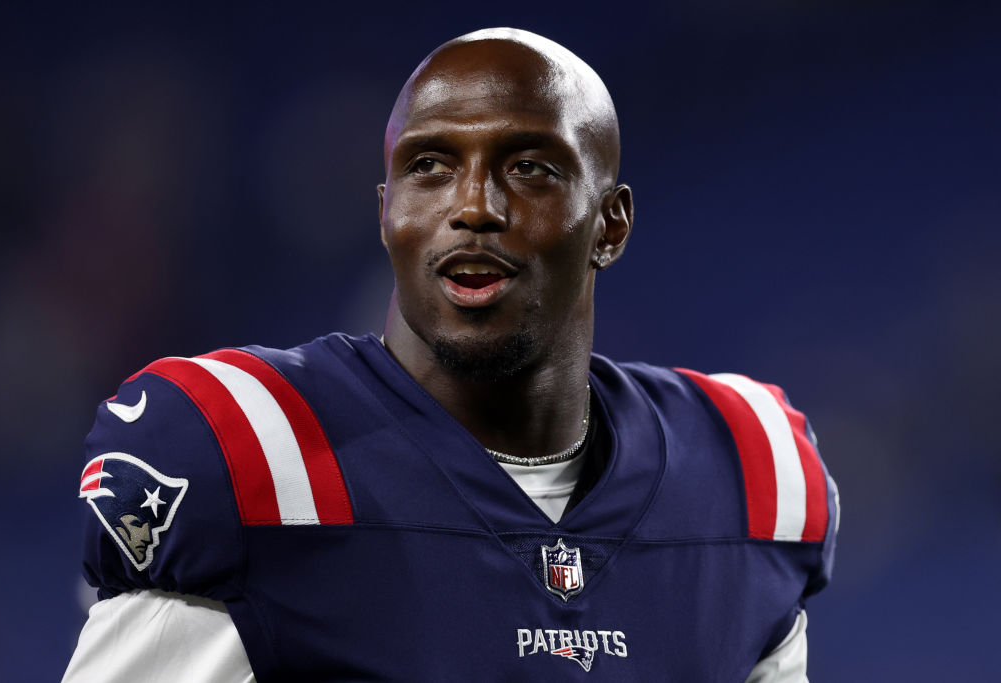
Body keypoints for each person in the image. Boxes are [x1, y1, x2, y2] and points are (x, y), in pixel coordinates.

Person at [64, 27, 838, 681]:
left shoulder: (746, 473)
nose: (473, 207)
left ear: (610, 224)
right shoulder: (248, 452)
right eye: (430, 167)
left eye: (529, 167)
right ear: (386, 213)